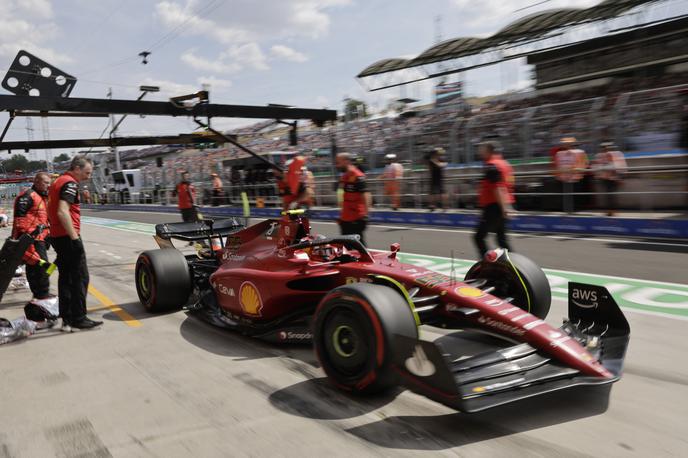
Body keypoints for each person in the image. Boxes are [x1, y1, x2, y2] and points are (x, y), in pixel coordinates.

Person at [47, 156, 102, 331]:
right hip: (67, 237)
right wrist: (74, 238)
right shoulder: (69, 183)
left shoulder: (58, 181)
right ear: (76, 168)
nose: (88, 176)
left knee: (65, 278)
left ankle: (67, 320)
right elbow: (62, 212)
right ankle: (79, 317)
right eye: (87, 172)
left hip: (58, 235)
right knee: (79, 278)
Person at [12, 172, 54, 300]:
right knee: (43, 266)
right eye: (45, 183)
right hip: (30, 239)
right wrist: (26, 238)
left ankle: (39, 293)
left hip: (41, 238)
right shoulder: (27, 195)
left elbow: (43, 219)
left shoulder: (43, 197)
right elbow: (20, 220)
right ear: (36, 181)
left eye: (49, 183)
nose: (48, 185)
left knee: (35, 266)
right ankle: (42, 294)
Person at [473, 141, 515, 258]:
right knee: (501, 240)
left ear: (488, 151)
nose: (479, 152)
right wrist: (507, 205)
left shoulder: (491, 165)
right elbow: (509, 185)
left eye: (481, 149)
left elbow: (498, 188)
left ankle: (488, 264)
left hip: (495, 206)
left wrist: (504, 208)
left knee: (478, 237)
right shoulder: (506, 164)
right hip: (503, 203)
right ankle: (514, 265)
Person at [336, 153, 371, 246]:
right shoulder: (344, 176)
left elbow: (366, 195)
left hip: (356, 218)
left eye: (339, 162)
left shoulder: (357, 175)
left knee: (359, 246)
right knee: (346, 247)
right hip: (345, 218)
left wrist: (366, 215)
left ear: (346, 161)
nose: (337, 165)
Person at [554, 137, 588, 212]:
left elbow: (585, 163)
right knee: (565, 194)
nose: (565, 145)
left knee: (575, 194)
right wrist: (558, 175)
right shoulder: (559, 154)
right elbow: (557, 165)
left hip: (575, 177)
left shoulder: (580, 152)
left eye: (567, 143)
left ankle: (575, 209)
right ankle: (567, 209)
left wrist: (579, 172)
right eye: (564, 143)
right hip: (564, 177)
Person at [594, 142, 627, 216]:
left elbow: (621, 166)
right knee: (606, 196)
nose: (605, 149)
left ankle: (613, 211)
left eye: (607, 147)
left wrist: (621, 178)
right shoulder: (599, 156)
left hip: (613, 179)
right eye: (603, 147)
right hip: (604, 178)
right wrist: (598, 176)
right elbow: (597, 166)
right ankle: (608, 211)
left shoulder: (616, 154)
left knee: (612, 195)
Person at [428, 147, 447, 212]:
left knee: (442, 192)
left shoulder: (440, 159)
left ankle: (444, 206)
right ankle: (432, 206)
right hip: (433, 178)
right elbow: (438, 166)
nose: (438, 155)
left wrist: (440, 164)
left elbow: (443, 165)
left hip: (439, 178)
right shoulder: (431, 160)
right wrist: (440, 164)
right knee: (432, 193)